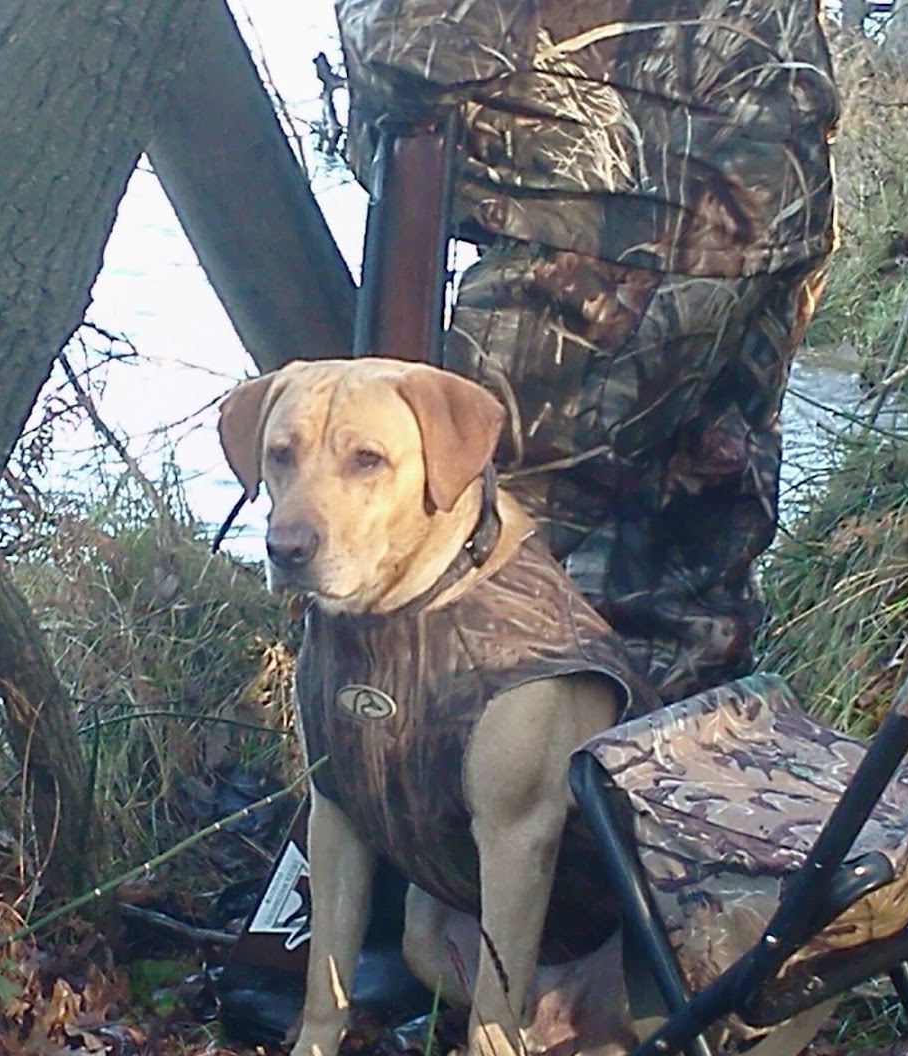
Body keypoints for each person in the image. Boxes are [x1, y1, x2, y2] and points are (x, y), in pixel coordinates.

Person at [335, 0, 839, 703]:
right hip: (773, 191)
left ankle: (463, 802)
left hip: (596, 223)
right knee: (682, 602)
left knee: (472, 575)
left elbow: (416, 51)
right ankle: (656, 797)